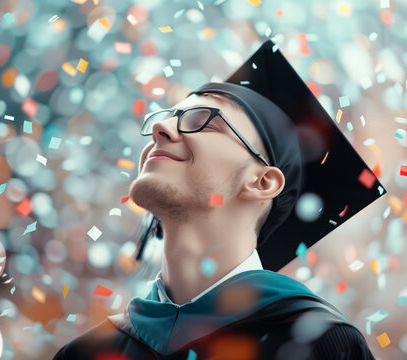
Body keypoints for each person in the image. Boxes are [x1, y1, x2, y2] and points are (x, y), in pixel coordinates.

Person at [54, 40, 382, 359]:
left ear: (262, 182)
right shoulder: (87, 353)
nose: (161, 129)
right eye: (167, 116)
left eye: (201, 120)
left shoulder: (323, 344)